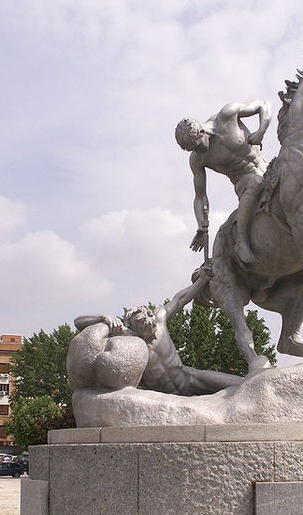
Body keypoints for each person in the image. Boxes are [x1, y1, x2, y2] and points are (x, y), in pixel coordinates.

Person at [70, 267, 243, 396]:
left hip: (191, 379)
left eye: (149, 315)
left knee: (242, 385)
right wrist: (102, 317)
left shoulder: (159, 319)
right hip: (165, 398)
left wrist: (202, 280)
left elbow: (180, 299)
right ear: (131, 325)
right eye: (142, 320)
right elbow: (79, 322)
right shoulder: (128, 339)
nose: (149, 319)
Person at [175, 100, 272, 264]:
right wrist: (201, 225)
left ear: (202, 132)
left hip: (267, 167)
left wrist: (261, 131)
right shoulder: (197, 159)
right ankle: (241, 242)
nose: (199, 151)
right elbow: (200, 196)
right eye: (193, 150)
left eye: (198, 145)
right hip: (244, 181)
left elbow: (264, 105)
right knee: (255, 182)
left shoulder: (227, 116)